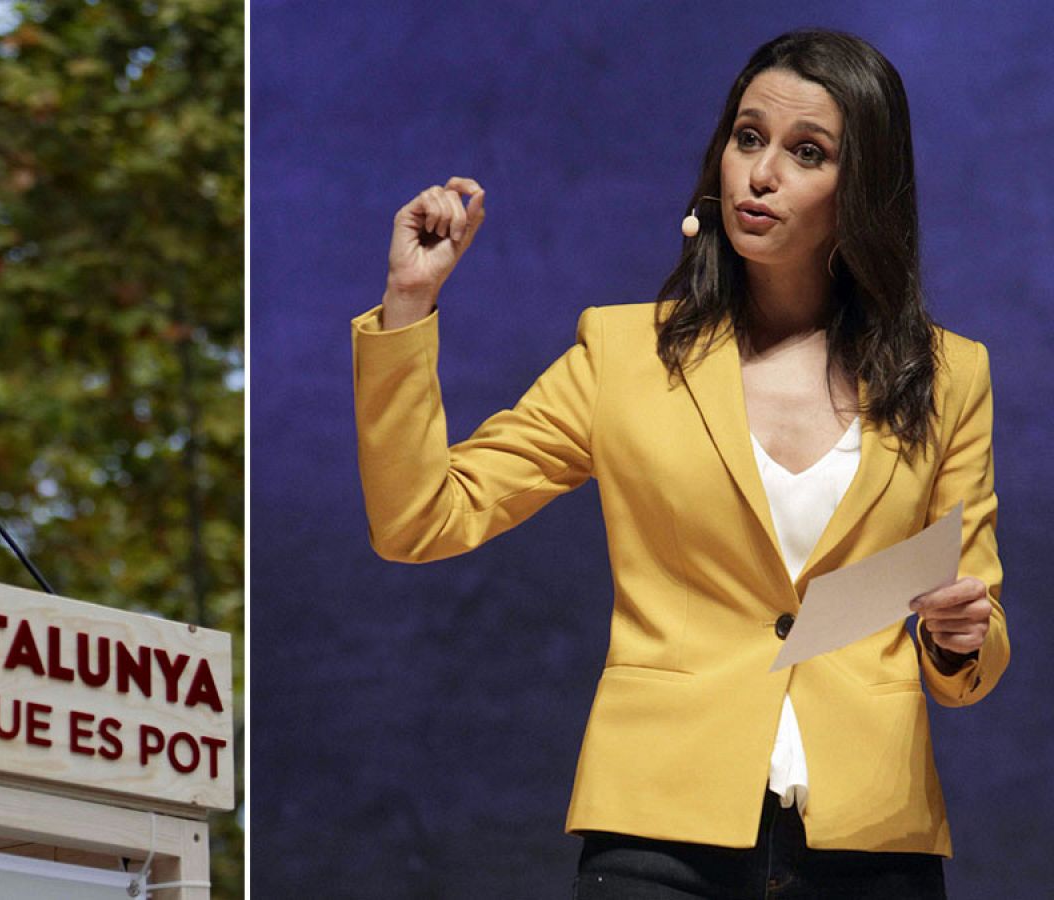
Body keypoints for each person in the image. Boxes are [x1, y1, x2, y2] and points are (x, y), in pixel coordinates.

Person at [353, 30, 1004, 899]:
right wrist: (408, 304)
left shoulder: (950, 373)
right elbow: (419, 520)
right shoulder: (623, 353)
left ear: (864, 191)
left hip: (876, 839)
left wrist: (962, 638)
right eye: (747, 137)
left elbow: (974, 640)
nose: (760, 174)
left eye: (806, 153)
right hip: (659, 833)